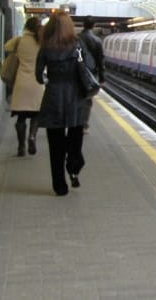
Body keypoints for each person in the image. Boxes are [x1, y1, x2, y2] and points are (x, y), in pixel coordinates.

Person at [35, 11, 94, 195]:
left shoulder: (45, 47)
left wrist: (50, 79)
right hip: (75, 98)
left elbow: (38, 76)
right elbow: (88, 68)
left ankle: (59, 185)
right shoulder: (78, 45)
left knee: (55, 145)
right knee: (75, 138)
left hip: (53, 96)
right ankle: (74, 166)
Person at [4, 18, 44, 156]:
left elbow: (6, 47)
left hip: (22, 82)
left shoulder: (19, 40)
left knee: (21, 117)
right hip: (37, 83)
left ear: (26, 27)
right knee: (36, 115)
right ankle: (32, 136)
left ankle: (21, 147)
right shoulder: (41, 42)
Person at [78, 16, 105, 133]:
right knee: (88, 98)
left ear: (83, 25)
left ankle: (76, 121)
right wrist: (102, 78)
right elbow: (100, 61)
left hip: (77, 71)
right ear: (94, 26)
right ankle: (84, 124)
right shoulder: (97, 41)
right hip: (91, 74)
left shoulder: (76, 38)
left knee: (77, 97)